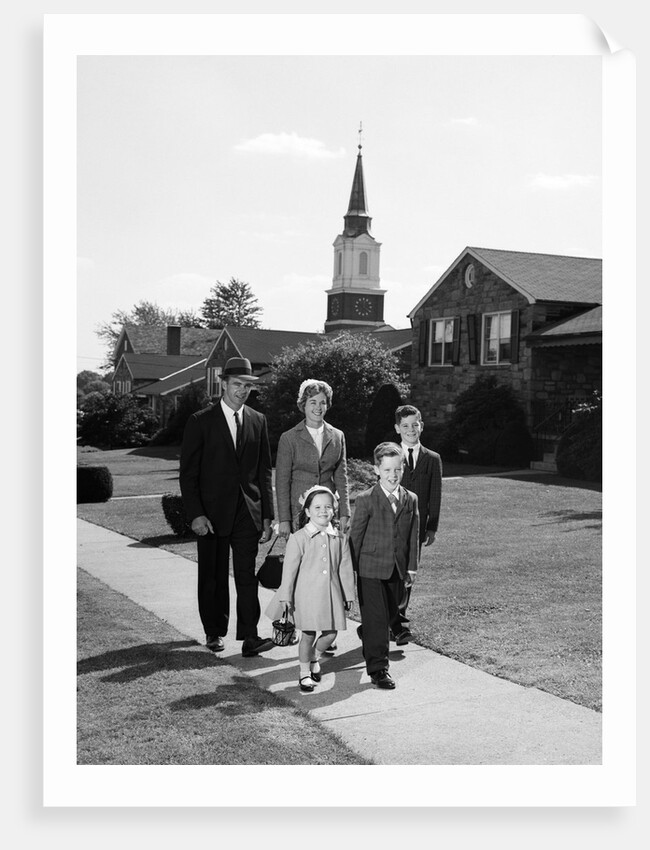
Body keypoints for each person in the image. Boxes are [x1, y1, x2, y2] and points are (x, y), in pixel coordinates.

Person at [179, 356, 276, 658]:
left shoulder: (258, 421)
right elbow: (189, 474)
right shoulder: (200, 421)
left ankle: (250, 637)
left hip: (248, 512)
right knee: (213, 575)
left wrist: (268, 515)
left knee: (246, 575)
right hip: (211, 514)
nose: (242, 390)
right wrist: (195, 513)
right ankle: (213, 632)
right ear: (223, 384)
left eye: (247, 385)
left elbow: (264, 471)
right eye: (237, 384)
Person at [265, 485, 356, 692]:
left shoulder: (340, 538)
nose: (323, 511)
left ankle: (314, 657)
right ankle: (304, 672)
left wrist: (348, 593)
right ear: (307, 512)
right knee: (308, 634)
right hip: (305, 596)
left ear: (334, 509)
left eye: (328, 506)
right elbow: (289, 571)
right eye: (317, 507)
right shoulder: (299, 538)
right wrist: (286, 596)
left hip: (331, 595)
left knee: (331, 633)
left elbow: (345, 567)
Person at [349, 442, 419, 690]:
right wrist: (350, 572)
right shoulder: (366, 499)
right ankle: (379, 669)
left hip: (397, 569)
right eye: (387, 470)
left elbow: (413, 536)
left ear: (403, 469)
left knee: (389, 615)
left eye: (397, 469)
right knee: (377, 619)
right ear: (377, 470)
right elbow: (355, 538)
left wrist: (412, 568)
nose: (393, 475)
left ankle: (368, 632)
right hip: (369, 569)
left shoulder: (410, 499)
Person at [391, 404, 443, 645]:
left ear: (421, 426)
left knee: (409, 573)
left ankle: (399, 620)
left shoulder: (432, 459)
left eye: (415, 424)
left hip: (417, 527)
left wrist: (432, 527)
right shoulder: (390, 456)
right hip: (391, 526)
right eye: (405, 426)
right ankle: (389, 620)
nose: (411, 429)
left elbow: (435, 495)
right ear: (397, 429)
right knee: (391, 572)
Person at [275, 379, 350, 539]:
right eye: (313, 402)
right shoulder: (289, 438)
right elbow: (282, 482)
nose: (318, 407)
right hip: (299, 514)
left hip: (328, 513)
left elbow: (341, 478)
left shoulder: (338, 436)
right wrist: (284, 519)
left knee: (329, 560)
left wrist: (345, 512)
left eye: (322, 402)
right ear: (304, 405)